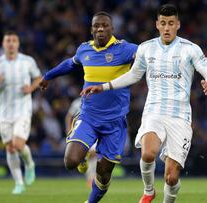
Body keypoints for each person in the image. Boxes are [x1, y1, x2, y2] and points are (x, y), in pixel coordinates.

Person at [81, 4, 207, 203]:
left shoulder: (190, 49)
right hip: (154, 112)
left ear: (177, 25)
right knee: (147, 153)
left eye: (171, 23)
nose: (167, 27)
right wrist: (104, 86)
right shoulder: (146, 48)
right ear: (157, 25)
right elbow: (133, 75)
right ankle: (149, 190)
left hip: (180, 117)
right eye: (163, 23)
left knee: (171, 176)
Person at [39, 11, 138, 203]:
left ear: (112, 28)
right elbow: (70, 64)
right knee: (70, 161)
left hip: (115, 121)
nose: (100, 29)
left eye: (104, 25)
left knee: (103, 172)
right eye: (96, 26)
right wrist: (48, 76)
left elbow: (149, 54)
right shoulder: (84, 50)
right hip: (89, 117)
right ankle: (83, 157)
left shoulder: (125, 49)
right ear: (91, 29)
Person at [0, 31, 41, 194]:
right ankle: (19, 183)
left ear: (18, 43)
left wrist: (31, 88)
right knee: (10, 148)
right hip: (4, 112)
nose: (11, 43)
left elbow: (39, 78)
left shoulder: (27, 61)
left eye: (13, 40)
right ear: (3, 44)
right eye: (8, 40)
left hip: (23, 109)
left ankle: (29, 164)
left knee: (18, 144)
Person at [65, 97, 97, 188]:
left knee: (94, 154)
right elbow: (69, 116)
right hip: (79, 131)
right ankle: (91, 177)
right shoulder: (77, 102)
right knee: (91, 155)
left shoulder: (98, 100)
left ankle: (91, 179)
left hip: (93, 130)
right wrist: (69, 130)